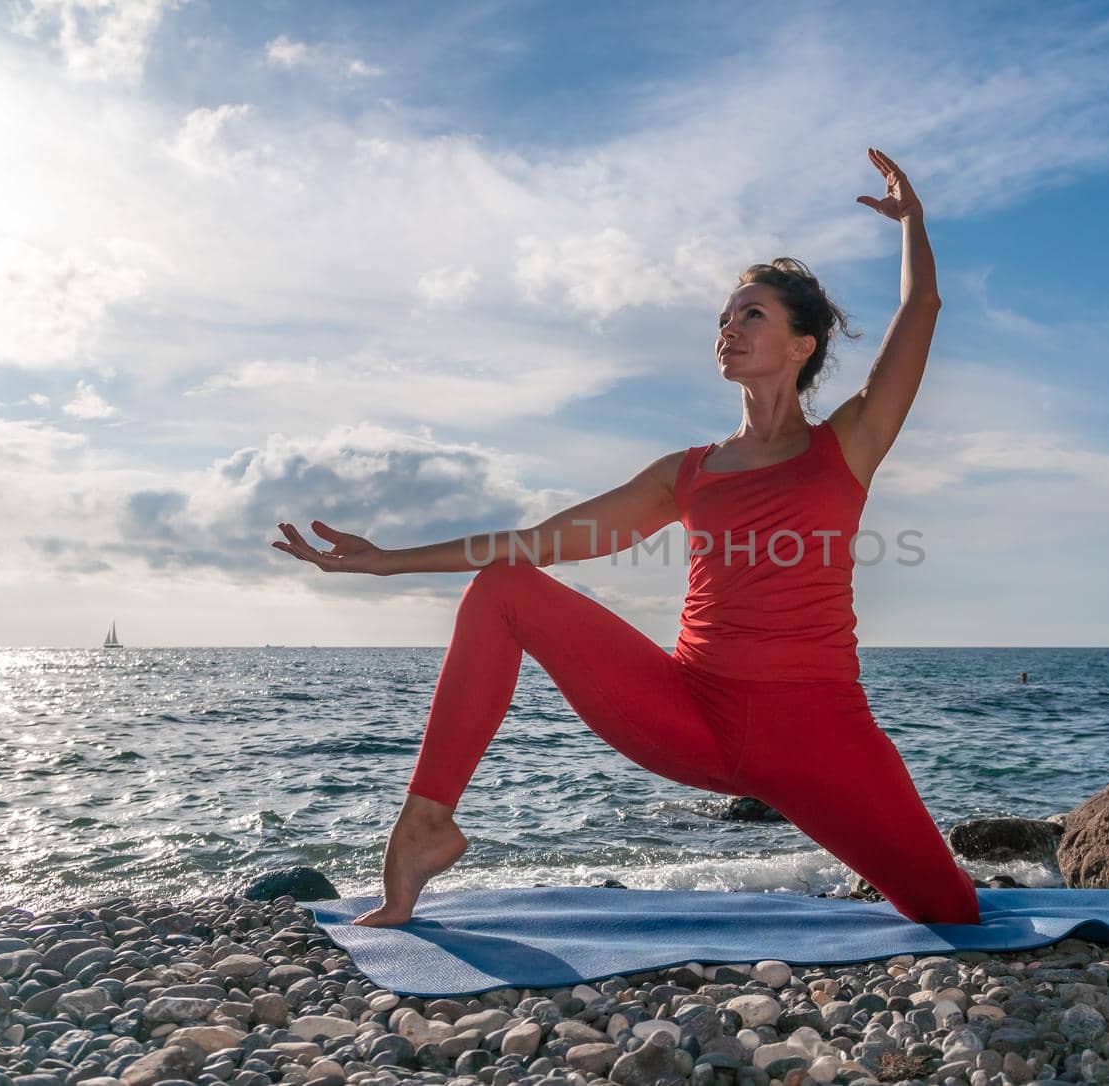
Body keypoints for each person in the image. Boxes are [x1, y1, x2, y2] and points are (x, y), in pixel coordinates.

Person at [274, 148, 981, 927]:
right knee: (504, 588)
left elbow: (920, 313)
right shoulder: (685, 474)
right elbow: (538, 543)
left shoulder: (848, 443)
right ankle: (427, 825)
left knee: (951, 913)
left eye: (752, 315)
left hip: (819, 731)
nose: (729, 328)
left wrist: (912, 224)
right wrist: (385, 566)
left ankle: (938, 889)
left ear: (802, 345)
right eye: (723, 317)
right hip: (692, 713)